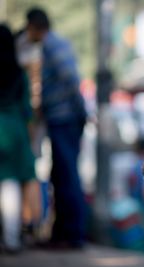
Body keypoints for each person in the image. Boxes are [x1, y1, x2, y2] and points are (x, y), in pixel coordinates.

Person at [25, 8, 87, 248]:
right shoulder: (53, 45)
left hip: (65, 119)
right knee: (60, 175)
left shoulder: (53, 46)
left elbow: (70, 79)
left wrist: (80, 112)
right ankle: (63, 233)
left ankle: (72, 235)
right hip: (62, 119)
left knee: (67, 175)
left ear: (35, 26)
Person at [0, 24, 37, 253]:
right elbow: (27, 110)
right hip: (14, 132)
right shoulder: (18, 72)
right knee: (10, 185)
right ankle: (12, 239)